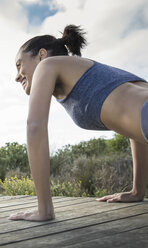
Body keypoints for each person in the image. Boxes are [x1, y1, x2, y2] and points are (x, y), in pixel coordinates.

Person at [9, 25, 148, 221]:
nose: (16, 77)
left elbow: (35, 127)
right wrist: (137, 191)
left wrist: (44, 210)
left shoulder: (47, 65)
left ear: (41, 55)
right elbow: (135, 126)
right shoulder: (97, 71)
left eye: (19, 65)